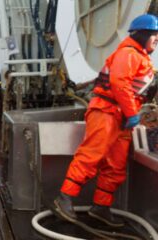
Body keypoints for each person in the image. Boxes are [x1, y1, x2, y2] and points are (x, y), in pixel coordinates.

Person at [53, 14, 158, 227]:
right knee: (91, 156)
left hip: (122, 118)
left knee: (116, 165)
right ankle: (64, 198)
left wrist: (129, 114)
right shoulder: (128, 54)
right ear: (143, 34)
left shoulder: (141, 58)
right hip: (106, 112)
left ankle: (101, 207)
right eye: (154, 35)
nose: (156, 40)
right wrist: (132, 114)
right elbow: (119, 84)